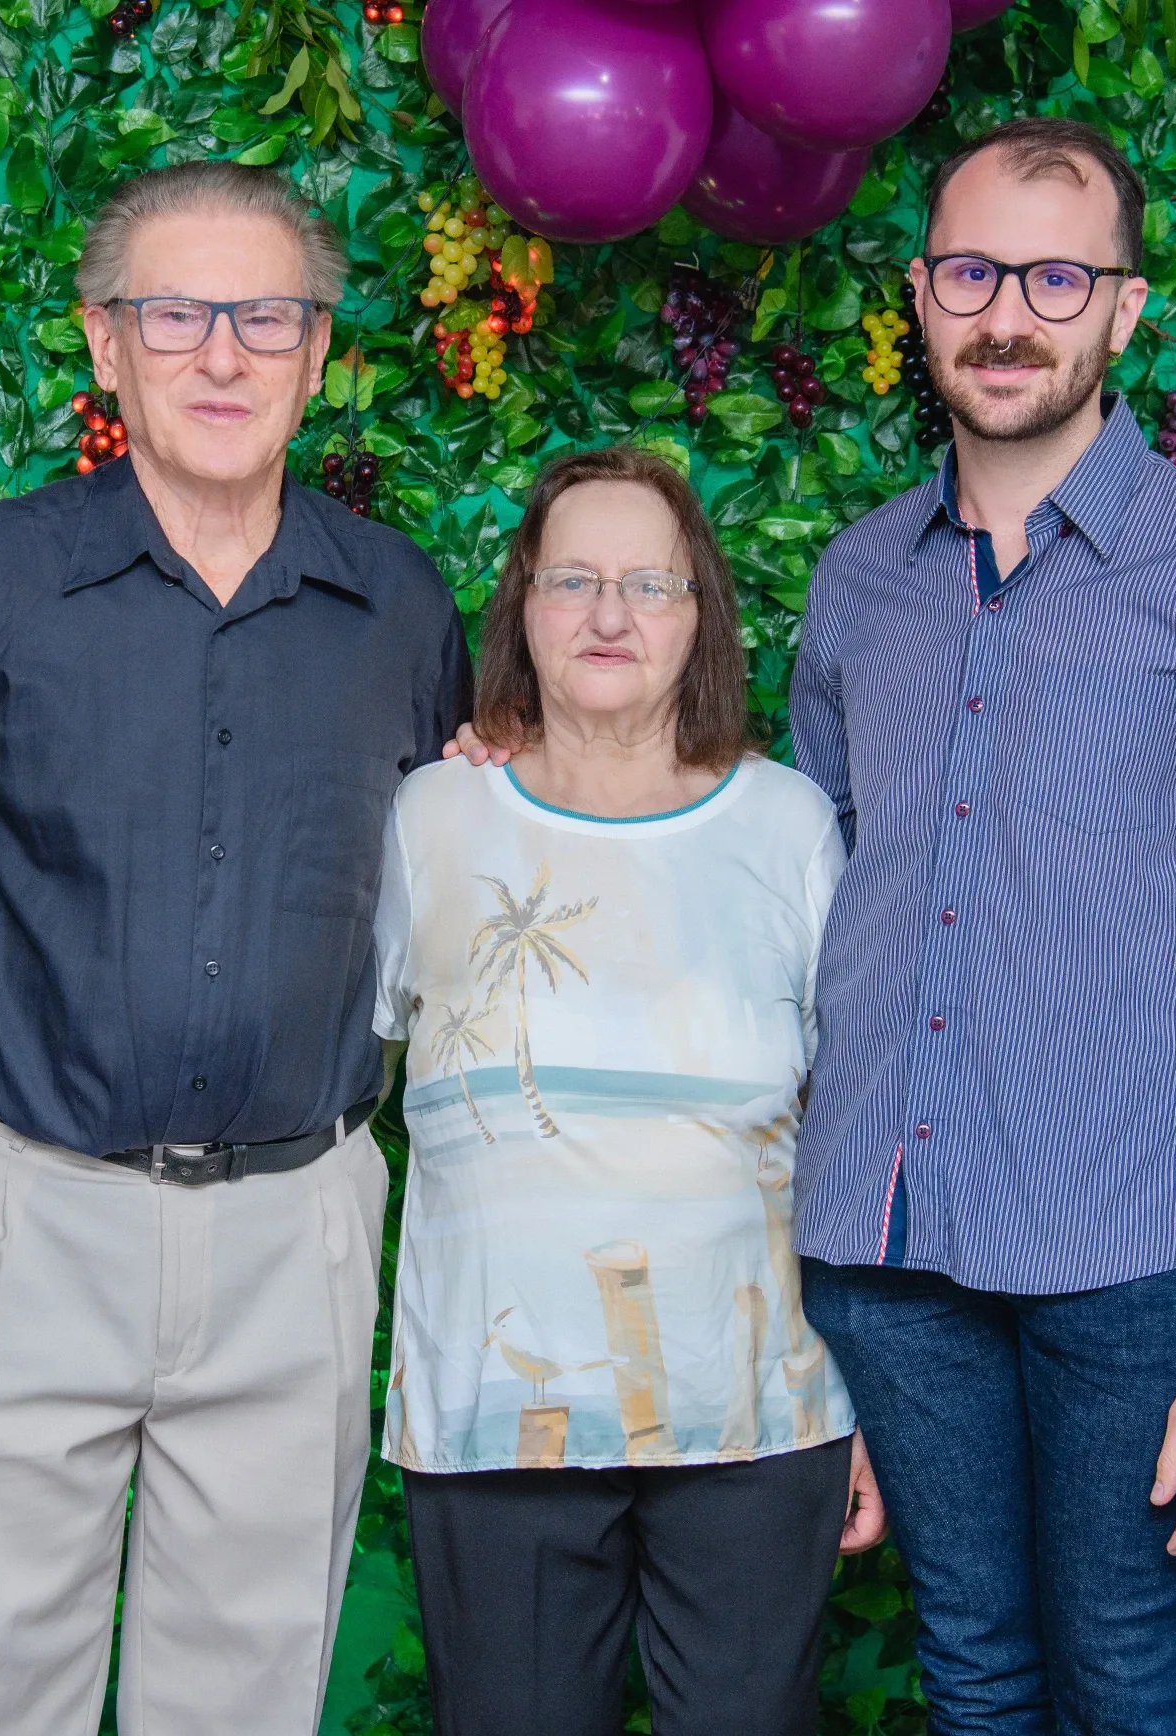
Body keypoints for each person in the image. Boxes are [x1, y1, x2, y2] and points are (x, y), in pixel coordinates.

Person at [0, 161, 469, 1736]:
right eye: (173, 313)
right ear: (102, 345)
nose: (222, 354)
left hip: (300, 1220)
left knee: (247, 1691)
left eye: (266, 316)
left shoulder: (397, 604)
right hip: (30, 1209)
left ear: (319, 354)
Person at [787, 119, 1176, 1730]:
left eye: (1058, 277)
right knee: (970, 1676)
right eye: (971, 270)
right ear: (918, 294)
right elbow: (799, 911)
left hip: (1130, 1258)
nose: (1008, 314)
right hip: (887, 1255)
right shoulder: (853, 590)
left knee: (1124, 1680)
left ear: (1122, 310)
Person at [374, 446, 884, 1736]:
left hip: (758, 1416)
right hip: (498, 1419)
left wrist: (873, 1401)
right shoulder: (431, 815)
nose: (612, 616)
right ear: (523, 609)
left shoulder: (788, 827)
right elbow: (339, 1087)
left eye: (651, 584)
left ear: (700, 617)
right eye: (576, 580)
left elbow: (857, 1128)